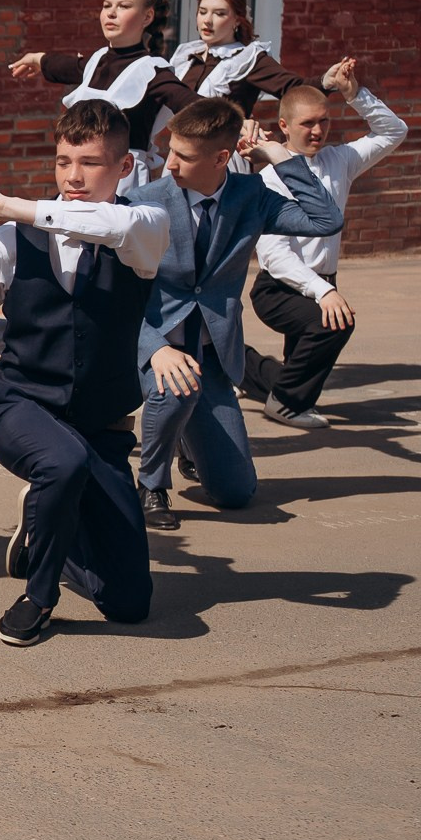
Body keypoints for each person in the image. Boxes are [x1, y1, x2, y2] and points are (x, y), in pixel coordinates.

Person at [0, 101, 170, 647]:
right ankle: (39, 595)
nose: (72, 176)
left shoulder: (145, 228)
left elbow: (106, 221)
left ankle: (50, 532)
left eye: (90, 163)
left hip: (100, 425)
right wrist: (25, 347)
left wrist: (11, 205)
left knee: (130, 605)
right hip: (22, 406)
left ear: (124, 169)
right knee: (61, 462)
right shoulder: (9, 239)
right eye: (63, 160)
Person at [129, 98, 344, 530]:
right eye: (171, 150)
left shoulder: (252, 197)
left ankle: (188, 440)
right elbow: (120, 293)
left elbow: (325, 220)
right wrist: (154, 347)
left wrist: (279, 155)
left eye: (183, 156)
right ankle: (151, 484)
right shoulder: (144, 200)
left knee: (236, 493)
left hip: (211, 358)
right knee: (175, 388)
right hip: (154, 349)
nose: (169, 163)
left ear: (221, 158)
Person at [237, 64, 408, 428]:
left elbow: (394, 131)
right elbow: (275, 254)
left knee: (298, 362)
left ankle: (236, 364)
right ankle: (285, 403)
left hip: (323, 280)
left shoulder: (339, 160)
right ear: (283, 126)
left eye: (324, 121)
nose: (318, 131)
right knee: (333, 325)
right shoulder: (269, 176)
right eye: (307, 124)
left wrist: (354, 95)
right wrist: (322, 292)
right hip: (279, 287)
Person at [9, 0, 198, 192]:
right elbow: (70, 67)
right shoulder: (98, 60)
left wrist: (240, 123)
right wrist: (39, 59)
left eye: (123, 6)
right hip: (79, 177)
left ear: (147, 17)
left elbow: (195, 105)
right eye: (107, 5)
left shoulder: (151, 71)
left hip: (123, 184)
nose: (111, 13)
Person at [166, 0, 348, 114]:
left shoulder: (247, 59)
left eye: (219, 14)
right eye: (202, 12)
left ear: (237, 20)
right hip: (181, 152)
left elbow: (293, 88)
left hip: (224, 152)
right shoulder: (187, 55)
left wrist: (327, 80)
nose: (207, 20)